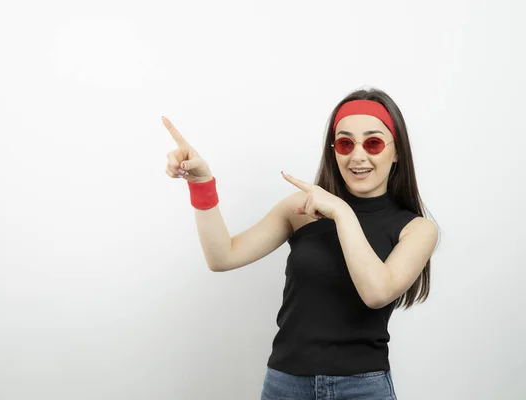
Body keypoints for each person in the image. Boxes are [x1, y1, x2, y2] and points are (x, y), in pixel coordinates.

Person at [162, 87, 439, 400]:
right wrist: (201, 184)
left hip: (362, 389)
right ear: (334, 150)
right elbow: (222, 256)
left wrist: (342, 212)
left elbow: (376, 293)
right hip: (286, 385)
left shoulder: (417, 230)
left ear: (397, 150)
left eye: (373, 143)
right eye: (346, 143)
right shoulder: (301, 210)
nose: (357, 156)